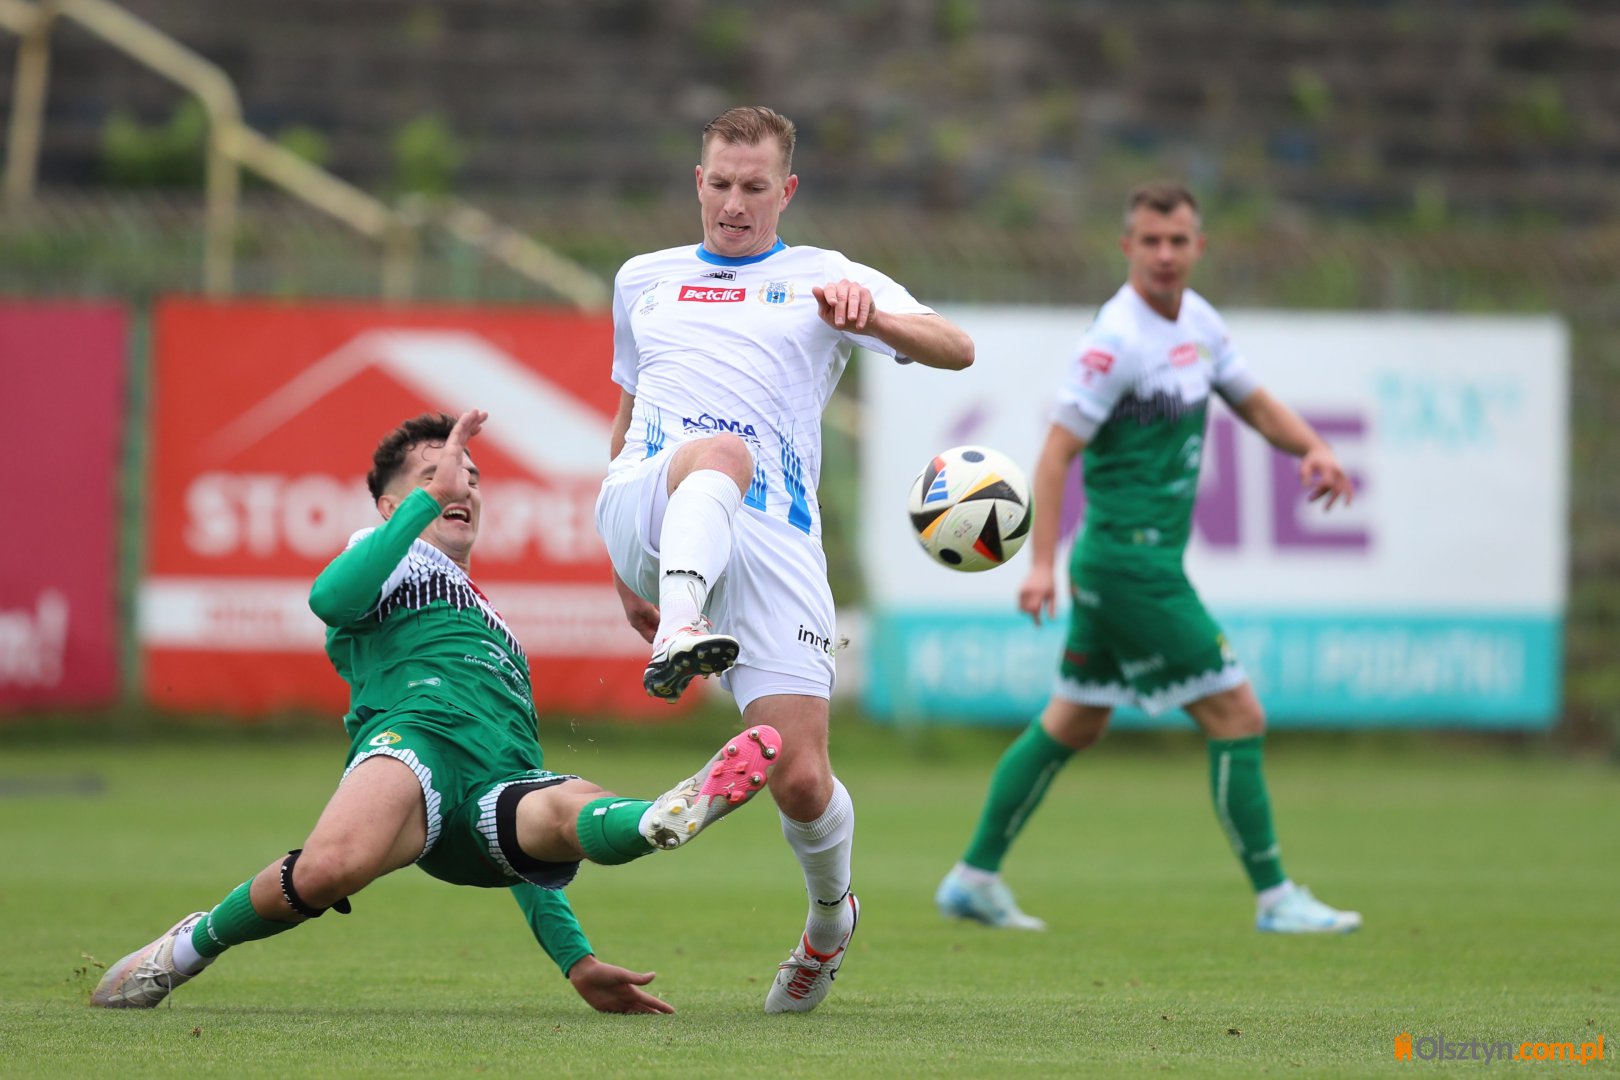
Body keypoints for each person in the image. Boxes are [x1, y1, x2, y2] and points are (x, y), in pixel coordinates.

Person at [92, 410, 782, 1013]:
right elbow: (330, 600)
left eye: (470, 476)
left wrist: (576, 960)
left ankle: (660, 818)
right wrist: (429, 501)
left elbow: (526, 856)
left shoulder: (499, 630)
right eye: (436, 472)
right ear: (393, 506)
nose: (461, 484)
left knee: (565, 810)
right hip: (415, 745)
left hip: (493, 795)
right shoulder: (384, 556)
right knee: (328, 871)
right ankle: (186, 949)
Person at [595, 105, 974, 1012]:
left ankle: (830, 924)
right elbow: (626, 416)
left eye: (753, 187)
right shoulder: (644, 279)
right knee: (719, 452)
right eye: (719, 183)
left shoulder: (827, 276)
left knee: (801, 780)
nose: (733, 203)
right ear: (698, 182)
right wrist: (623, 566)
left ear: (786, 190)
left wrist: (872, 314)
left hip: (774, 536)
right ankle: (682, 628)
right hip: (659, 492)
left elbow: (957, 350)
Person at [936, 183, 1363, 935]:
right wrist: (1040, 565)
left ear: (1199, 247)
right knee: (1238, 713)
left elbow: (1256, 404)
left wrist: (1315, 447)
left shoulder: (1197, 323)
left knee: (1073, 722)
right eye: (1151, 241)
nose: (1165, 254)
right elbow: (1056, 453)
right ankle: (1276, 898)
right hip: (1129, 566)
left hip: (1137, 563)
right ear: (1127, 247)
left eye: (1178, 240)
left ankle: (972, 878)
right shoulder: (1115, 341)